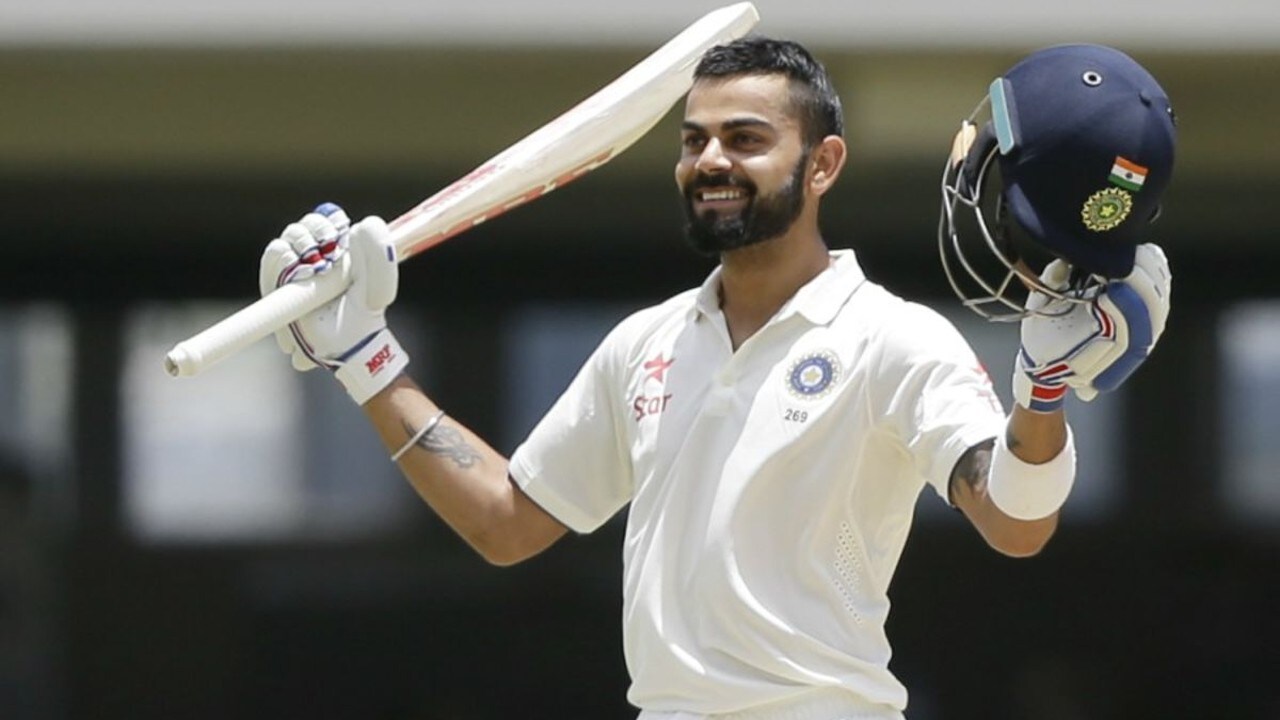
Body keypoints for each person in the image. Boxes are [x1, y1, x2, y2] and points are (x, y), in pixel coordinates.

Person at [258, 38, 1174, 720]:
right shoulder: (644, 344)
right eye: (695, 140)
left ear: (823, 164)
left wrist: (1041, 394)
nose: (711, 162)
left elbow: (1016, 522)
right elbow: (506, 522)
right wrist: (363, 357)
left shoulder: (894, 338)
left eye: (744, 138)